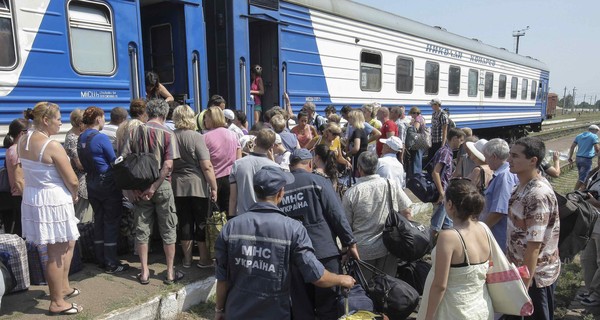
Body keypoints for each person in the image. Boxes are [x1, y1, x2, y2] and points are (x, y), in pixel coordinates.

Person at [214, 166, 356, 319]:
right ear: (281, 193)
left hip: (237, 312)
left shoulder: (230, 227)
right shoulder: (293, 229)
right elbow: (317, 276)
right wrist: (342, 279)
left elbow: (222, 278)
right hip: (275, 313)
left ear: (256, 192)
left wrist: (219, 310)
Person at [19, 102, 82, 315]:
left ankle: (63, 286)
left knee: (67, 243)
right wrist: (74, 194)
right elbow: (72, 179)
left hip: (35, 197)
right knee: (55, 252)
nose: (61, 122)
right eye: (58, 118)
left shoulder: (23, 139)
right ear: (46, 120)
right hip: (53, 201)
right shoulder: (52, 145)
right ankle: (57, 302)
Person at [280, 149, 359, 319]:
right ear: (310, 163)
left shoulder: (280, 188)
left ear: (290, 165)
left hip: (293, 256)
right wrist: (349, 243)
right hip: (323, 253)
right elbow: (336, 214)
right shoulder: (318, 181)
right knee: (328, 305)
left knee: (301, 306)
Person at [122, 99, 182, 285]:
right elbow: (168, 165)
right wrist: (154, 187)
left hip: (138, 187)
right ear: (164, 114)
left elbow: (124, 161)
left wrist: (132, 188)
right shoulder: (167, 133)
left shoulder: (132, 131)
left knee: (142, 229)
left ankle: (145, 271)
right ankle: (170, 272)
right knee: (168, 228)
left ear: (148, 112)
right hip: (161, 185)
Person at [417, 179, 493, 320]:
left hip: (454, 310)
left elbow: (440, 285)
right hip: (481, 307)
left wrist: (428, 316)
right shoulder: (484, 228)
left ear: (450, 204)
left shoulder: (449, 237)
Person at [505, 137, 560, 320]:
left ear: (533, 160)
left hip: (534, 279)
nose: (508, 160)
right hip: (519, 273)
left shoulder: (537, 195)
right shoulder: (520, 186)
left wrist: (524, 288)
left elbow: (534, 246)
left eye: (514, 156)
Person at [343, 152, 412, 279]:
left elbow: (346, 226)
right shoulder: (391, 184)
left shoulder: (352, 193)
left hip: (362, 251)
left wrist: (345, 250)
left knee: (365, 291)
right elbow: (407, 212)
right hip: (388, 246)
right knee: (388, 286)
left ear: (359, 168)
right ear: (376, 166)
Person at [78, 106, 129, 273]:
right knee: (111, 222)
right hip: (106, 183)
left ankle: (100, 258)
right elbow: (113, 160)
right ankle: (111, 262)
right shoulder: (100, 138)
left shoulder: (81, 138)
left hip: (91, 182)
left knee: (98, 220)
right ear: (98, 119)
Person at [171, 105, 218, 269]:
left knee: (184, 221)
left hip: (176, 185)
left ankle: (187, 260)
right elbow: (206, 166)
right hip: (197, 185)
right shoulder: (197, 137)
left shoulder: (170, 136)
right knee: (201, 222)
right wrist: (214, 187)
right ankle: (204, 259)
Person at [479, 138, 518, 253]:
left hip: (499, 235)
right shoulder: (504, 173)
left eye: (486, 157)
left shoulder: (503, 177)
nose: (485, 160)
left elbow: (499, 211)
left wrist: (481, 230)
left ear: (494, 157)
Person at [204, 107, 242, 219]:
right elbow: (238, 159)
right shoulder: (233, 135)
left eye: (206, 118)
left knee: (214, 216)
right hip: (231, 178)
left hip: (213, 179)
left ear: (212, 119)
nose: (204, 121)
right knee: (230, 211)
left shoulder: (205, 137)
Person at [229, 128, 277, 216]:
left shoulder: (238, 164)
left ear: (255, 141)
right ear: (272, 146)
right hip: (267, 217)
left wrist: (230, 218)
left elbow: (233, 198)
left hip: (243, 217)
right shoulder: (275, 168)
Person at [430, 128, 465, 233]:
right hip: (442, 191)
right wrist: (441, 192)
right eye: (461, 140)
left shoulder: (446, 151)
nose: (462, 143)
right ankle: (430, 246)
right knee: (436, 226)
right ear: (454, 138)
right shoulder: (446, 152)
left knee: (448, 223)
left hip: (445, 191)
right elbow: (435, 172)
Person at [64, 109, 93, 223]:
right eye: (86, 122)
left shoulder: (75, 135)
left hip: (81, 180)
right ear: (81, 123)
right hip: (80, 181)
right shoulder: (73, 139)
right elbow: (80, 164)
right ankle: (81, 239)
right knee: (83, 215)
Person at [2, 118, 30, 235]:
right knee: (21, 231)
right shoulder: (16, 151)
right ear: (22, 133)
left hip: (18, 196)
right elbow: (19, 180)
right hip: (20, 196)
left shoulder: (12, 149)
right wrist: (27, 199)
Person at [568, 124, 600, 190]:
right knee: (583, 178)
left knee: (582, 176)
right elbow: (597, 149)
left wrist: (570, 157)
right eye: (597, 132)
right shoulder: (594, 136)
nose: (597, 133)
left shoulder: (579, 136)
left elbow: (572, 147)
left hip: (578, 158)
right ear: (595, 130)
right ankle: (574, 192)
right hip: (586, 160)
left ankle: (583, 190)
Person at [408, 106, 426, 178]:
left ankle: (416, 176)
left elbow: (415, 129)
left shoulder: (418, 119)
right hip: (423, 140)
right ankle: (418, 174)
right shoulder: (422, 118)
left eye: (412, 114)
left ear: (415, 113)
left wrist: (410, 125)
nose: (411, 116)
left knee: (417, 158)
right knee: (419, 157)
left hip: (418, 141)